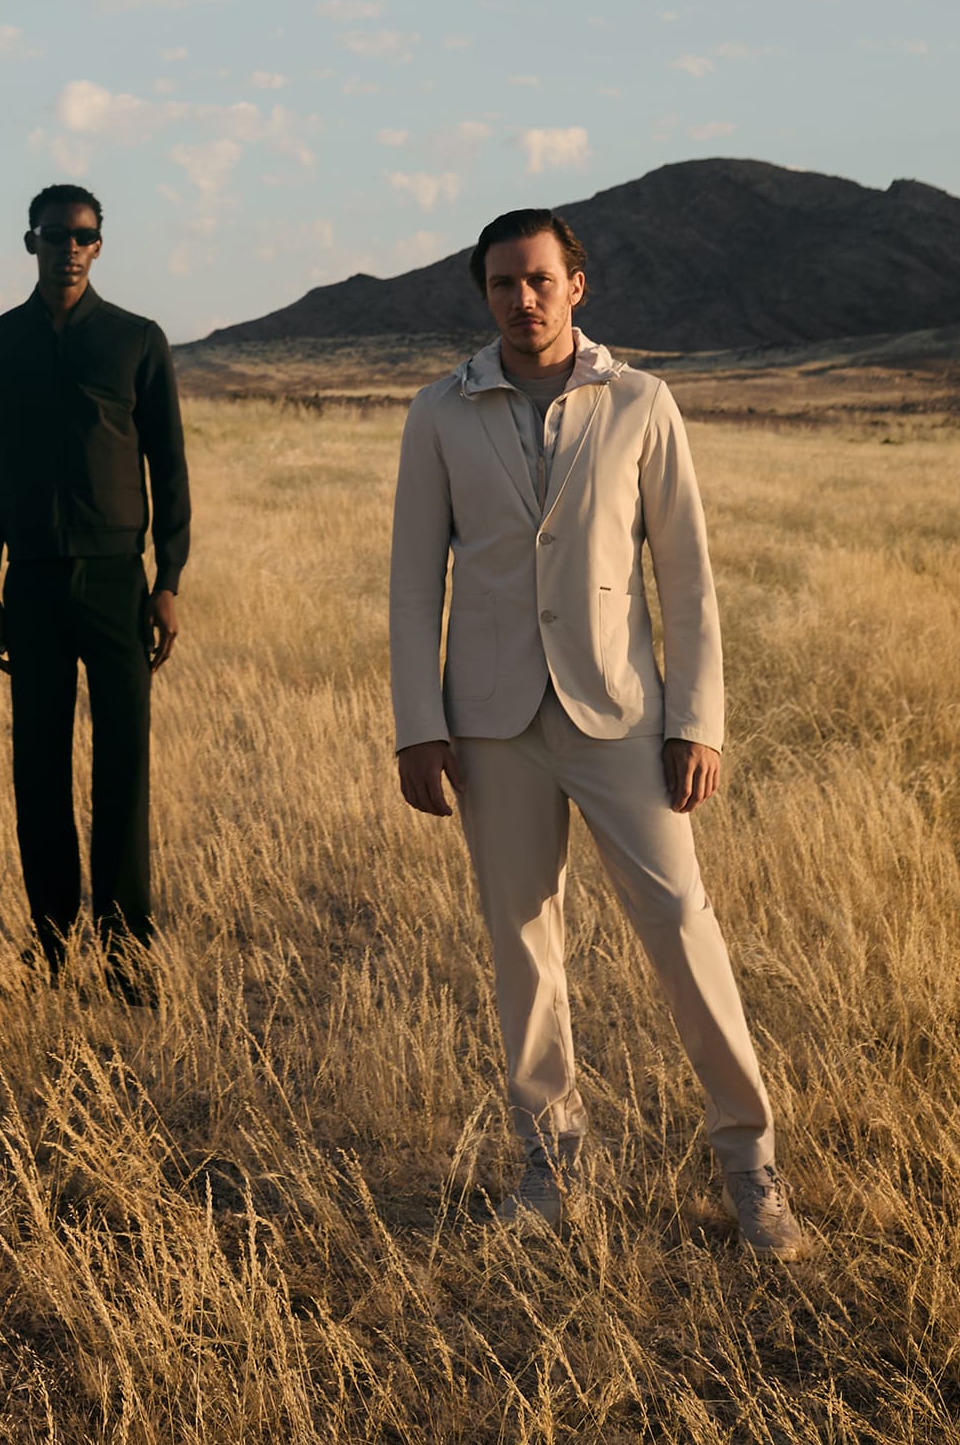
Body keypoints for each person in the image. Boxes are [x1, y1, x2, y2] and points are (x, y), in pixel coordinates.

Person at [389, 205, 807, 1256]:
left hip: (622, 716)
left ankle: (751, 1170)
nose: (520, 300)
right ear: (483, 295)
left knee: (682, 927)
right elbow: (410, 585)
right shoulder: (439, 412)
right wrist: (418, 726)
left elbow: (689, 577)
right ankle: (552, 1166)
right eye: (501, 284)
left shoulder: (641, 404)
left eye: (539, 280)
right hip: (491, 725)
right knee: (523, 949)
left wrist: (696, 719)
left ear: (578, 285)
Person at [0, 183, 189, 983]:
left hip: (118, 580)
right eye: (54, 235)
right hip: (32, 584)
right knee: (39, 766)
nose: (68, 248)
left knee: (123, 767)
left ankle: (127, 952)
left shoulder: (136, 340)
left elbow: (169, 464)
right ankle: (50, 942)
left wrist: (169, 581)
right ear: (31, 242)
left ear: (99, 245)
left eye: (83, 236)